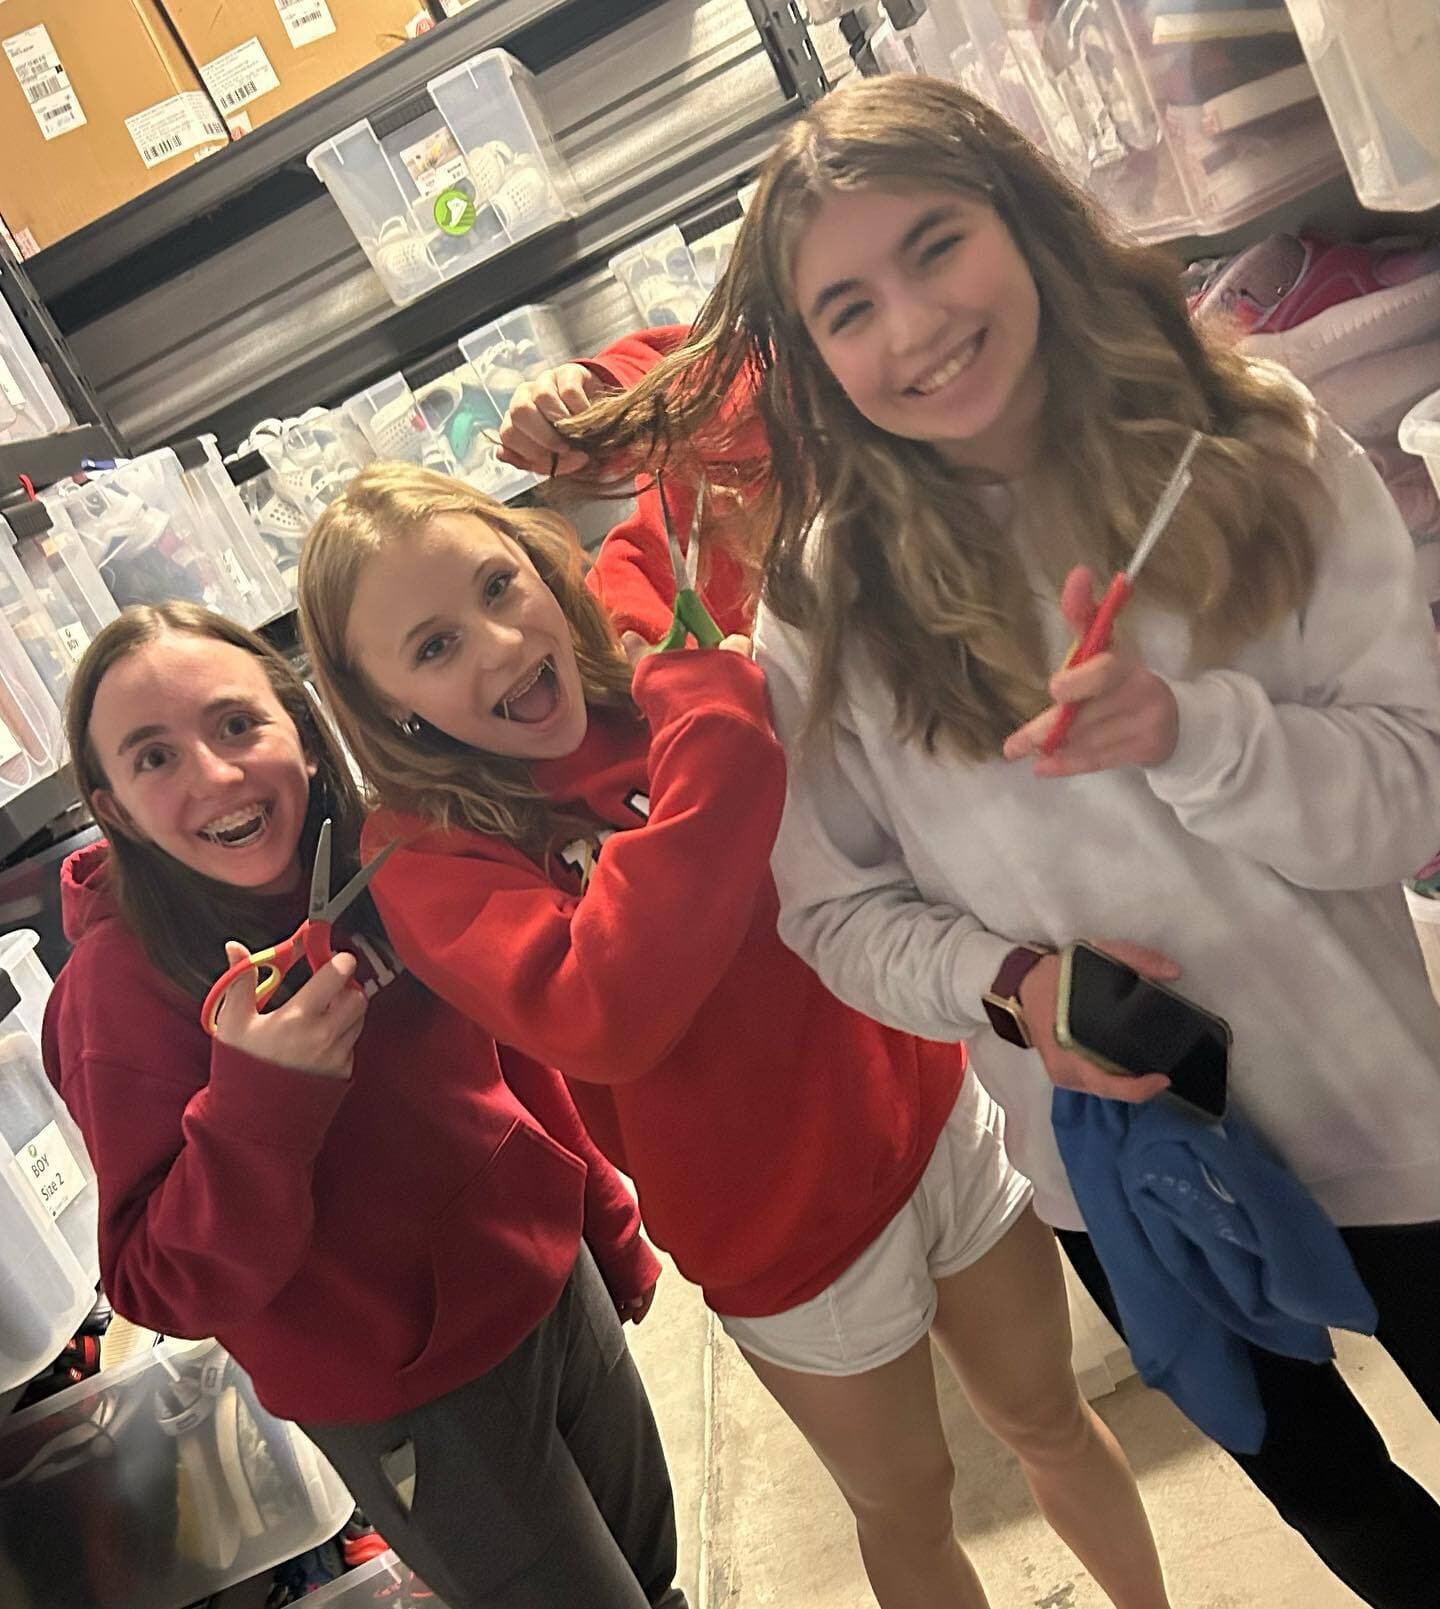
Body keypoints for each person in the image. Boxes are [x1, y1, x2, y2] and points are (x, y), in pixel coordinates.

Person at [537, 72, 1440, 1609]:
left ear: (1023, 217)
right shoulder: (824, 598)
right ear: (809, 354)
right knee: (1340, 1501)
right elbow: (836, 913)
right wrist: (1009, 985)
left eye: (936, 245)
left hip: (1376, 1101)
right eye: (847, 308)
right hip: (1122, 1169)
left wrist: (1194, 732)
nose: (914, 328)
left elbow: (1412, 792)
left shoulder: (1251, 446)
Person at [296, 465, 1172, 1609]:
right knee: (911, 1509)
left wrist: (598, 398)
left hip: (927, 1118)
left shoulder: (638, 645)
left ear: (540, 563)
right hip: (784, 1241)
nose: (500, 645)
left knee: (1051, 1416)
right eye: (433, 647)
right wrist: (716, 730)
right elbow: (604, 1012)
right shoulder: (426, 849)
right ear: (384, 704)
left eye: (499, 585)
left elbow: (722, 427)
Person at [43, 602, 688, 1609]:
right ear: (113, 806)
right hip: (413, 1395)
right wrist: (261, 1100)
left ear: (301, 730)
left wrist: (601, 1213)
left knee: (653, 1572)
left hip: (552, 1282)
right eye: (154, 757)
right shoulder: (116, 992)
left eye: (236, 724)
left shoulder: (385, 856)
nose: (215, 775)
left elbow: (507, 1042)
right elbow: (159, 1283)